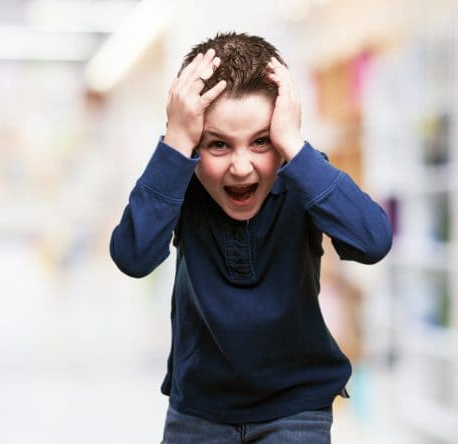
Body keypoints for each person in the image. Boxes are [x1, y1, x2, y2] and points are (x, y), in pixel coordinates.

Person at [109, 32, 392, 443]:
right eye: (218, 145)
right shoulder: (181, 183)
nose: (242, 167)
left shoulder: (303, 176)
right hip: (199, 410)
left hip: (297, 408)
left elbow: (373, 241)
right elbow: (133, 256)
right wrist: (174, 143)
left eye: (261, 141)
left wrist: (293, 145)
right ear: (192, 142)